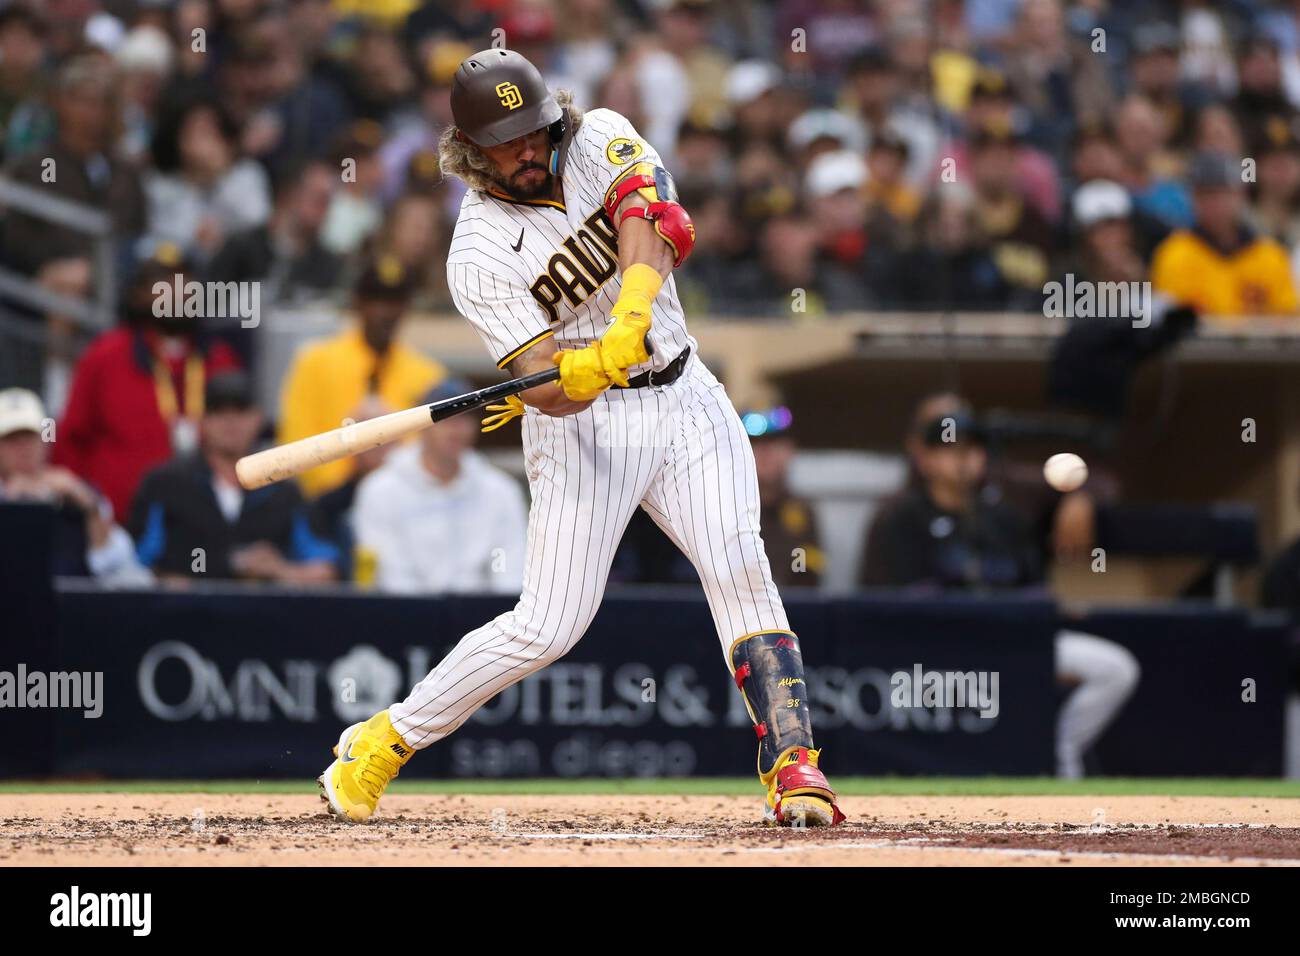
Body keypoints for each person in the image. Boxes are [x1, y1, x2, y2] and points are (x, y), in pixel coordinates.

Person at [317, 48, 844, 829]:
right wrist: (584, 370)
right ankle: (386, 739)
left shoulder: (598, 134)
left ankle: (793, 763)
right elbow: (539, 384)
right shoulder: (477, 252)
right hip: (583, 431)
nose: (529, 150)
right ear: (467, 149)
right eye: (508, 141)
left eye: (535, 131)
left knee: (739, 564)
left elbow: (655, 217)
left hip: (685, 395)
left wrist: (630, 315)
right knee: (548, 626)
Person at [859, 393, 1141, 778]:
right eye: (947, 450)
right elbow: (890, 603)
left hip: (1014, 641)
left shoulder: (1005, 513)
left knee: (1115, 668)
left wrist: (1041, 610)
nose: (961, 461)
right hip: (938, 653)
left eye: (970, 450)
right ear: (923, 458)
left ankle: (1060, 752)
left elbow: (1033, 586)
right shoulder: (900, 516)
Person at [50, 243, 242, 521]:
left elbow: (242, 436)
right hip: (114, 527)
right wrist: (81, 510)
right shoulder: (105, 356)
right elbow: (71, 438)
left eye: (183, 280)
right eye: (161, 282)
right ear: (137, 293)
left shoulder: (219, 357)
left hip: (201, 528)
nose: (175, 292)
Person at [129, 371, 338, 583]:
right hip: (187, 610)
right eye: (219, 411)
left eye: (240, 410)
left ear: (258, 418)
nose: (230, 421)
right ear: (203, 420)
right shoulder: (167, 484)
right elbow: (136, 563)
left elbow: (324, 567)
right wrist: (225, 564)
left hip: (263, 610)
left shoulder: (283, 491)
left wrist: (279, 570)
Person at [277, 255, 445, 498]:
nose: (385, 312)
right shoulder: (315, 361)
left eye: (394, 302)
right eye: (376, 301)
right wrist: (340, 485)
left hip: (404, 503)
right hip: (328, 502)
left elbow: (430, 449)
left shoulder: (428, 374)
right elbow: (295, 438)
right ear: (358, 303)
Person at [352, 379, 528, 594]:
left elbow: (507, 565)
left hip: (485, 620)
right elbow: (391, 574)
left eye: (466, 417)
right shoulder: (380, 490)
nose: (457, 428)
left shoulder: (501, 491)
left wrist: (495, 614)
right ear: (421, 426)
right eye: (445, 418)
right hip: (406, 618)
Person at [0, 387, 150, 585]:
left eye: (30, 438)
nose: (23, 449)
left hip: (70, 606)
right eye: (11, 440)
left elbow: (121, 571)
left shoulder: (76, 493)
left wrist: (89, 507)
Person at [1151, 151, 1299, 318]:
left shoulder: (1270, 255)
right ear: (1193, 199)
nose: (1216, 204)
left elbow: (1288, 318)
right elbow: (1171, 322)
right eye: (1207, 195)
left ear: (1241, 195)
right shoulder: (1174, 253)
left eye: (1224, 193)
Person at [745, 406, 824, 589]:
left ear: (790, 450)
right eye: (756, 445)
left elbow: (806, 575)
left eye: (774, 445)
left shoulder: (802, 515)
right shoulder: (724, 513)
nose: (766, 454)